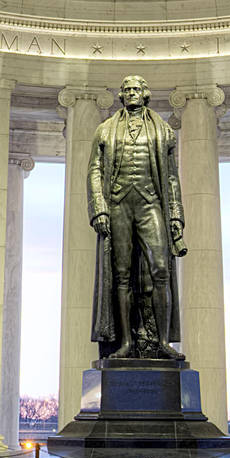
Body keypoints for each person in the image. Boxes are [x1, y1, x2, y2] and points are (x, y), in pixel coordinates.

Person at [87, 75, 186, 359]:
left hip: (150, 204)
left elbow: (171, 178)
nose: (131, 93)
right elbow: (94, 170)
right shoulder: (105, 130)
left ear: (145, 94)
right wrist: (99, 208)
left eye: (136, 89)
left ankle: (163, 342)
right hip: (118, 204)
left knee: (160, 270)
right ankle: (126, 343)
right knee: (122, 275)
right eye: (127, 89)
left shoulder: (163, 131)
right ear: (121, 95)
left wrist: (176, 216)